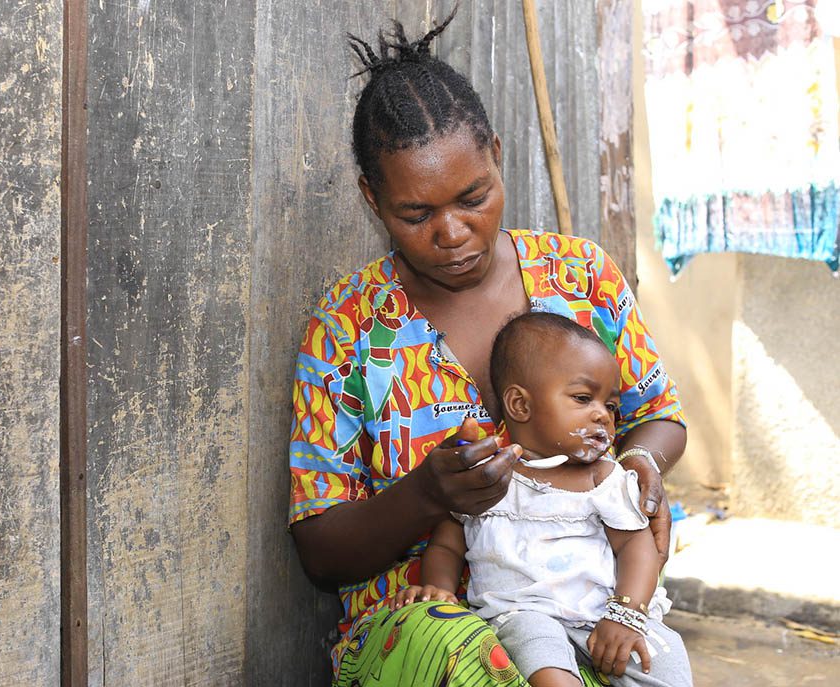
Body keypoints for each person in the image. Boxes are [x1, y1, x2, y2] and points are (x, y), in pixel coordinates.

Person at [288, 9, 686, 686]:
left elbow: (661, 414)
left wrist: (640, 461)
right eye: (416, 214)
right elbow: (320, 549)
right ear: (371, 199)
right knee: (476, 659)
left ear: (497, 157)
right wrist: (424, 494)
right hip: (420, 633)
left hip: (585, 612)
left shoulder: (580, 276)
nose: (452, 231)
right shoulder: (349, 327)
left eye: (473, 196)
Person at [391, 312, 693, 686]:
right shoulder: (488, 475)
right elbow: (447, 544)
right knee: (545, 662)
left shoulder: (604, 477)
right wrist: (439, 587)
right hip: (523, 613)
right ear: (520, 405)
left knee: (665, 659)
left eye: (611, 406)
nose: (602, 416)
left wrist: (626, 614)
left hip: (604, 612)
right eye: (583, 398)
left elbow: (638, 547)